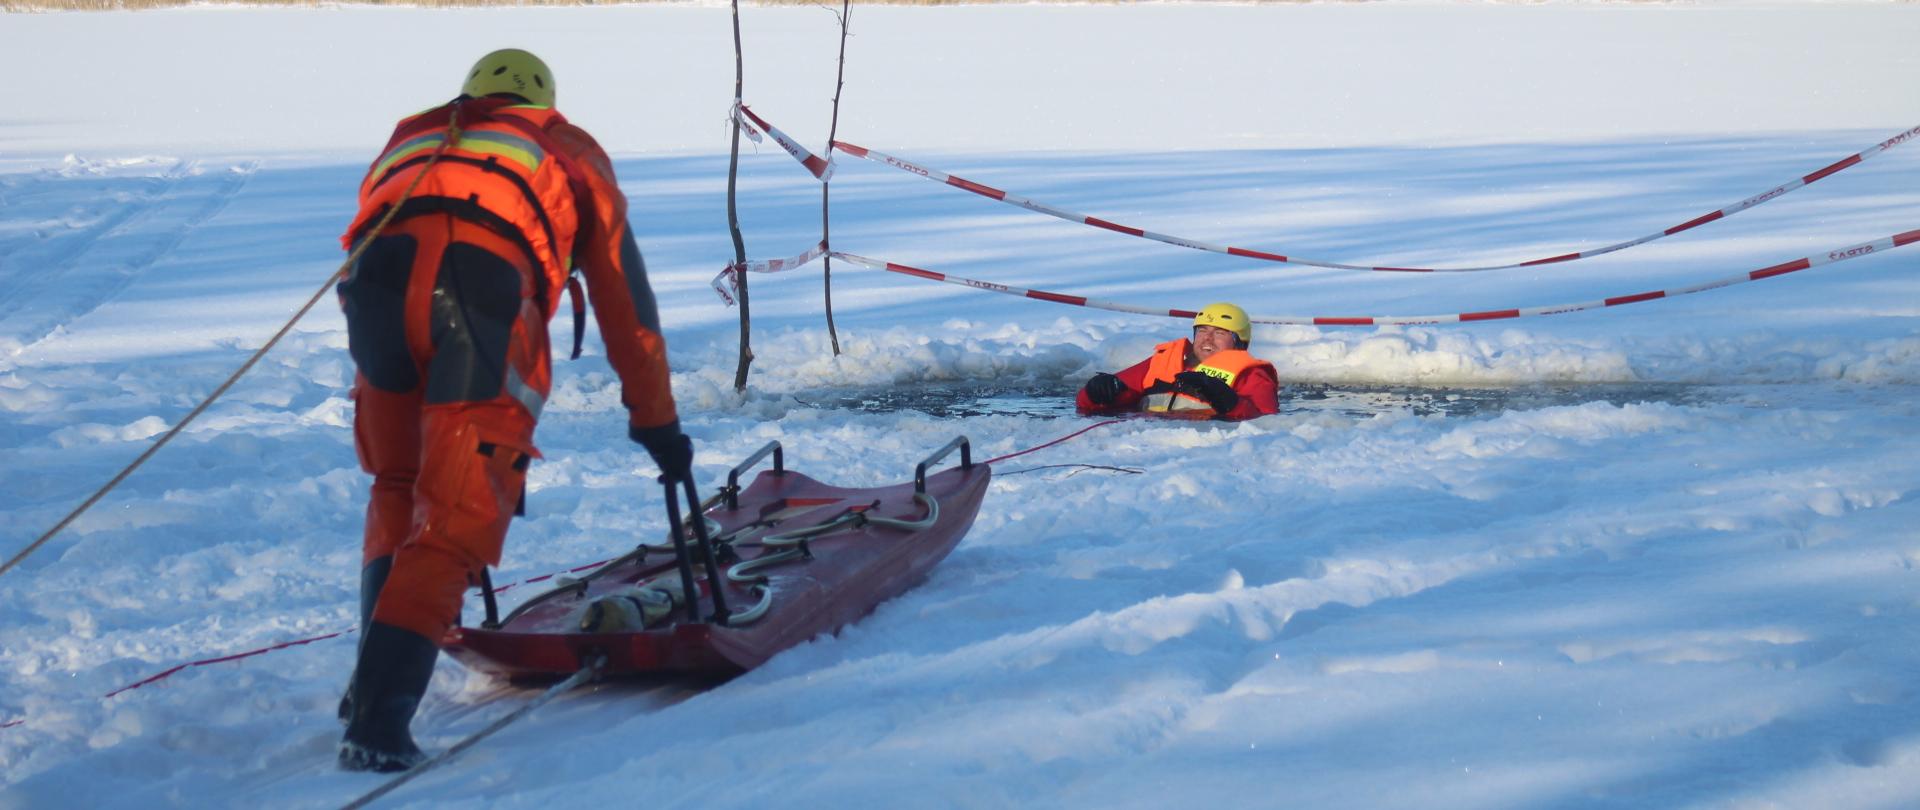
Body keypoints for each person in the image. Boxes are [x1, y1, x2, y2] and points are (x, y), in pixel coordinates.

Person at [332, 48, 691, 772]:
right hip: (481, 294)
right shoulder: (567, 147)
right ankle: (377, 723)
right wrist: (656, 420)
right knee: (459, 512)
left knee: (397, 483)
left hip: (373, 289)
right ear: (545, 101)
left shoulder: (418, 130)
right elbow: (627, 305)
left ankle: (368, 684)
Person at [1076, 303, 1279, 420]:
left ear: (1239, 342)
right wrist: (1096, 392)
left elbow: (1266, 422)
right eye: (1202, 331)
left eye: (1220, 333)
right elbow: (1085, 404)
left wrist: (1228, 401)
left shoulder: (1252, 376)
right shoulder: (1162, 361)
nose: (1207, 339)